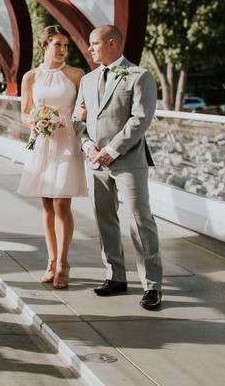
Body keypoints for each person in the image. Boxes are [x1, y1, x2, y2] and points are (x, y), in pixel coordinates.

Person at [74, 25, 163, 310]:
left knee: (140, 220)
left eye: (94, 43)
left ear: (112, 43)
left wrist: (111, 150)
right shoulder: (87, 80)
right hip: (94, 161)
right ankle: (115, 276)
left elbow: (140, 119)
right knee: (104, 219)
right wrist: (88, 146)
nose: (89, 48)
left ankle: (152, 286)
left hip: (128, 161)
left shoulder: (140, 76)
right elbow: (78, 119)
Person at [17, 25, 87, 289]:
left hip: (67, 141)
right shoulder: (30, 77)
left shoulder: (77, 74)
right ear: (44, 46)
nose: (63, 50)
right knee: (46, 204)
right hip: (43, 142)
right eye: (58, 44)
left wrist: (73, 117)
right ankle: (51, 259)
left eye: (66, 45)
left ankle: (64, 263)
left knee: (62, 203)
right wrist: (35, 121)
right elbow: (24, 112)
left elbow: (84, 109)